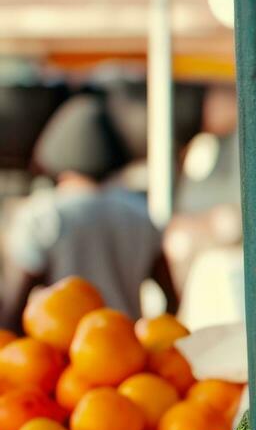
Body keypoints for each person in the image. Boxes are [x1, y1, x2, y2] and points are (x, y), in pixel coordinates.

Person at [2, 94, 178, 323]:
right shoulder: (140, 214)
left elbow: (16, 306)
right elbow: (171, 300)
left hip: (61, 351)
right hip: (125, 346)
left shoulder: (44, 216)